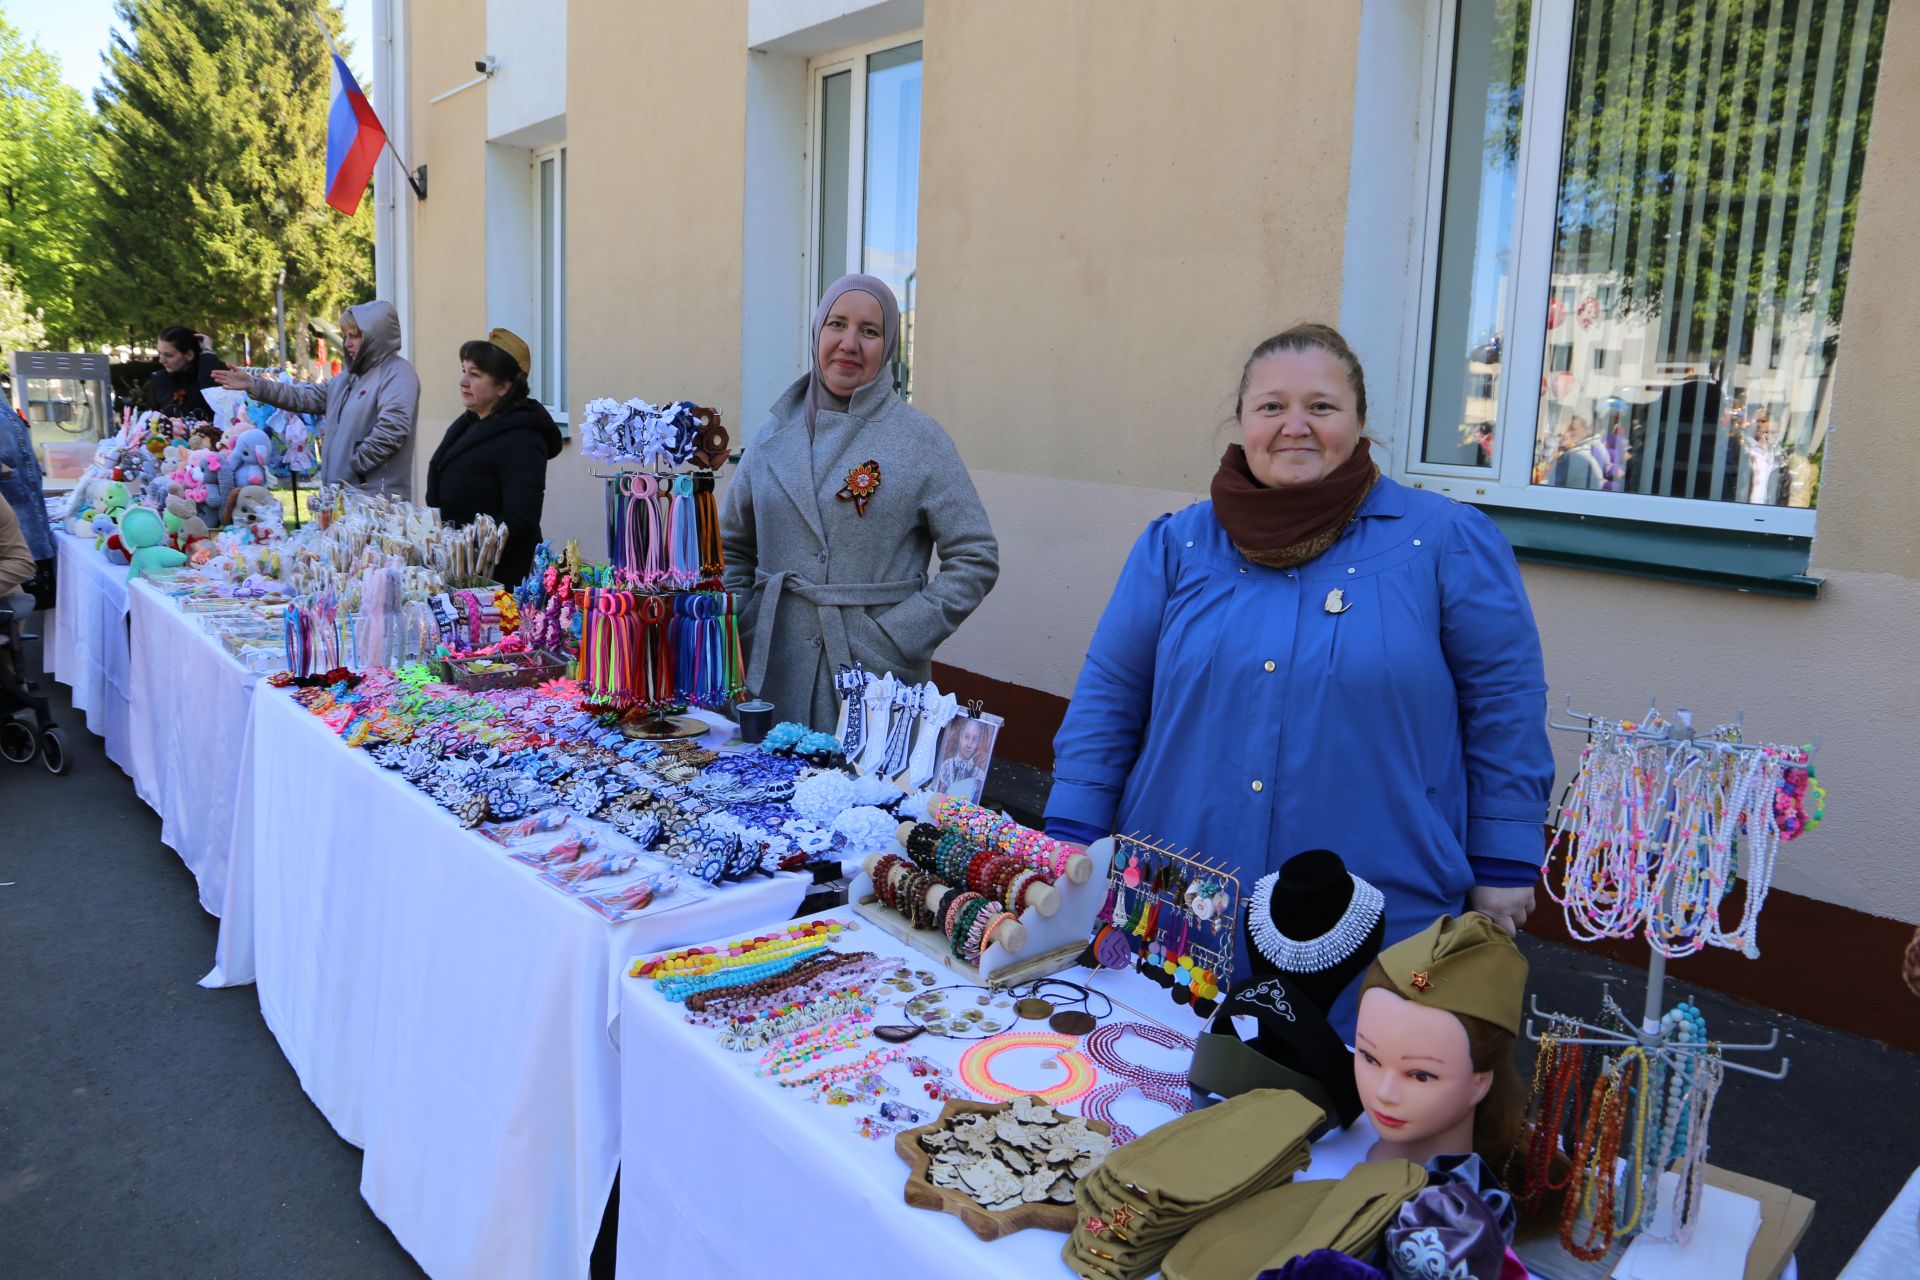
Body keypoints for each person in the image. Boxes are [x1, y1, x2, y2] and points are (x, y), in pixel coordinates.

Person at [1043, 323, 1553, 1033]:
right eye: (1272, 407)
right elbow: (1108, 696)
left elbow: (1505, 706)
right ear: (1243, 422)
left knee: (1360, 1111)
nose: (1295, 427)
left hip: (1380, 909)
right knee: (1153, 1094)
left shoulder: (1443, 543)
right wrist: (1071, 833)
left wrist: (1503, 857)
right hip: (1179, 903)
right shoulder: (1176, 546)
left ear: (1360, 421)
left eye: (1321, 407)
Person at [721, 273, 999, 730]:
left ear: (887, 346)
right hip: (770, 668)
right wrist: (742, 623)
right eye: (837, 324)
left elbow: (975, 557)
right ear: (817, 334)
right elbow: (732, 545)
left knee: (865, 799)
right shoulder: (771, 434)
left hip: (873, 677)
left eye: (869, 331)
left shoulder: (919, 440)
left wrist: (897, 635)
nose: (849, 343)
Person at [211, 300, 420, 500]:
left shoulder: (398, 373)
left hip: (376, 502)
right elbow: (304, 396)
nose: (347, 343)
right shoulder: (347, 378)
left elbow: (393, 429)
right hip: (343, 498)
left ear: (375, 337)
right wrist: (254, 384)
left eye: (355, 336)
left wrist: (355, 464)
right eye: (345, 336)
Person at [423, 329, 563, 588]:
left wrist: (466, 545)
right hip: (462, 573)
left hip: (497, 585)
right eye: (463, 371)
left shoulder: (522, 438)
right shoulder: (470, 422)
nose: (463, 381)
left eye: (474, 374)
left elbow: (519, 520)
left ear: (503, 386)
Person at [145, 326, 228, 420]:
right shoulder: (159, 380)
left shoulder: (209, 372)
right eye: (160, 353)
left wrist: (207, 352)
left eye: (168, 355)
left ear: (189, 355)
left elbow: (213, 393)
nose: (161, 360)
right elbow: (151, 420)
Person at [932, 715, 994, 803]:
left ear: (978, 742)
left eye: (974, 739)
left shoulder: (979, 775)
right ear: (960, 737)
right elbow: (937, 798)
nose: (969, 744)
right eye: (966, 737)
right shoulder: (946, 766)